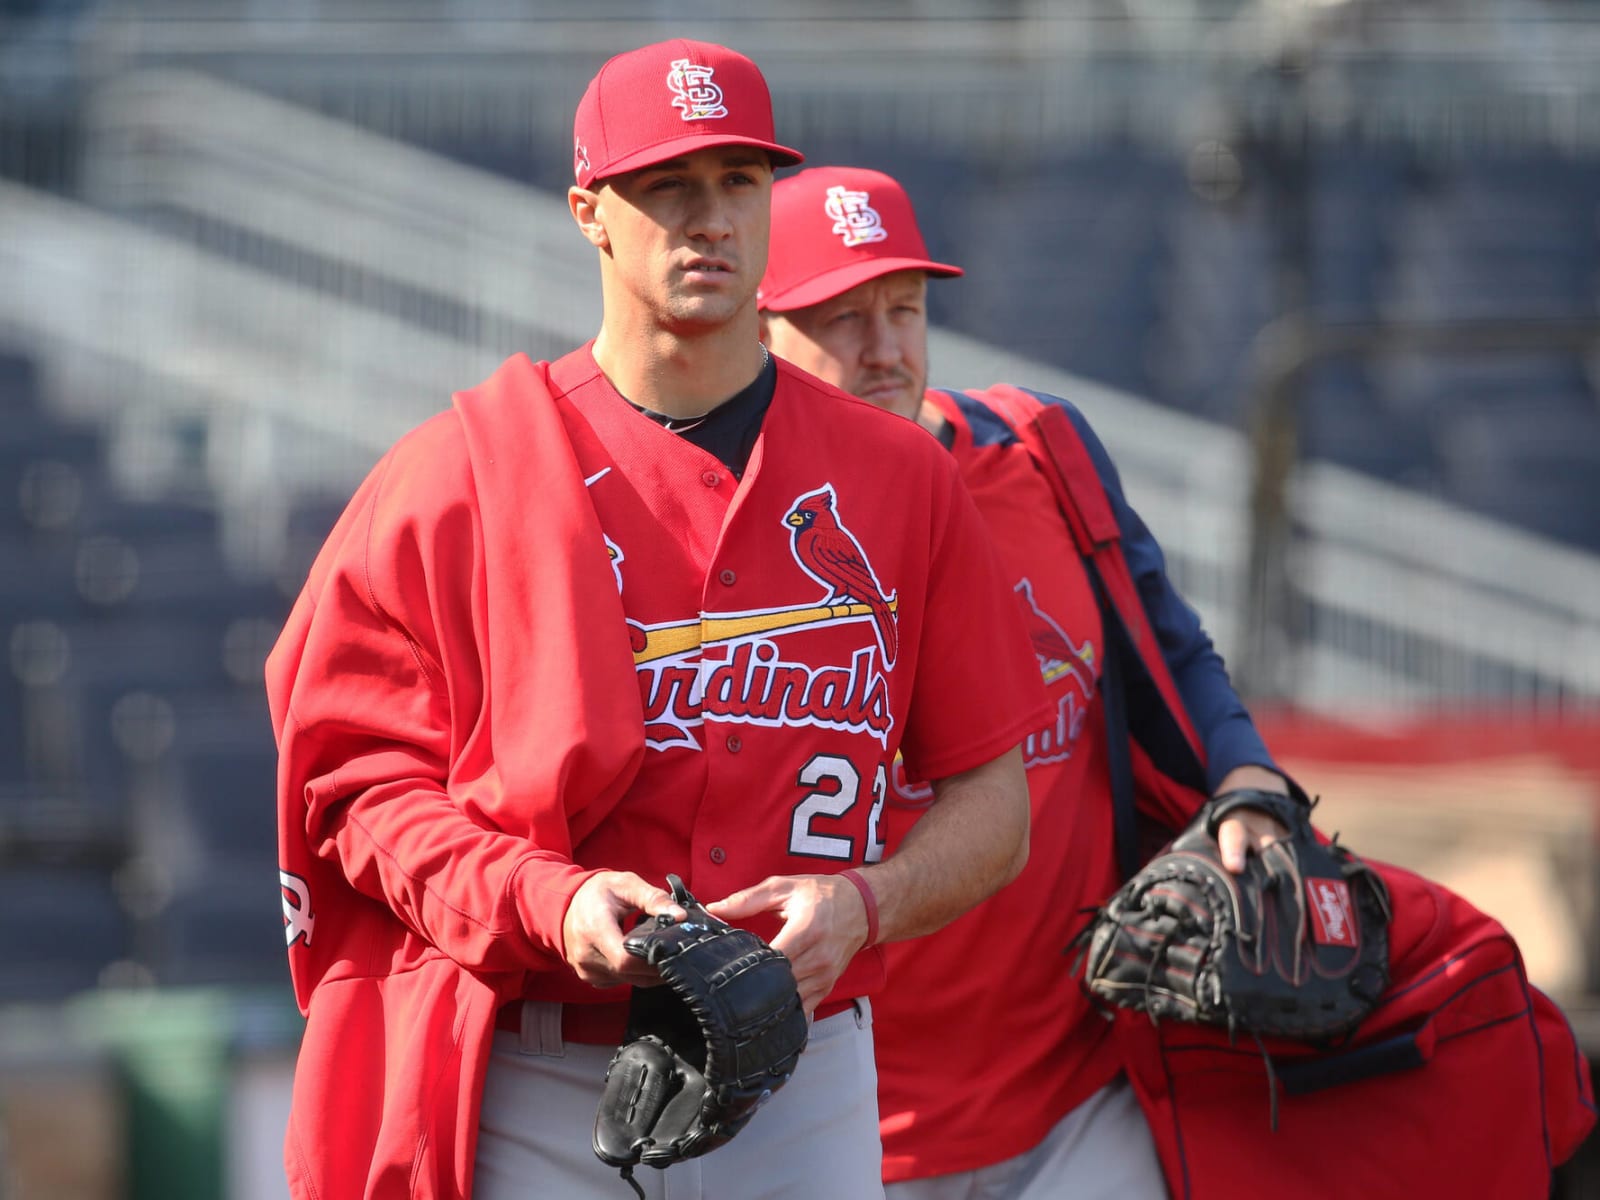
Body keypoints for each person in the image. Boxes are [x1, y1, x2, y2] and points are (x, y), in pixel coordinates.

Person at [265, 44, 1052, 1200]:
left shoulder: (899, 478)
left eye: (738, 181)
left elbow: (996, 801)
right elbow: (357, 791)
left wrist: (868, 904)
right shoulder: (462, 477)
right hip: (542, 1075)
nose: (709, 220)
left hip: (806, 1065)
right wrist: (552, 897)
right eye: (667, 187)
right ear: (590, 212)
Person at [759, 165, 1300, 1199]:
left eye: (904, 307)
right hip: (845, 1126)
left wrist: (1244, 776)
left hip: (1079, 1097)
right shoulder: (731, 541)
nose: (884, 346)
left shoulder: (1035, 450)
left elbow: (1169, 645)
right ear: (758, 335)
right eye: (839, 317)